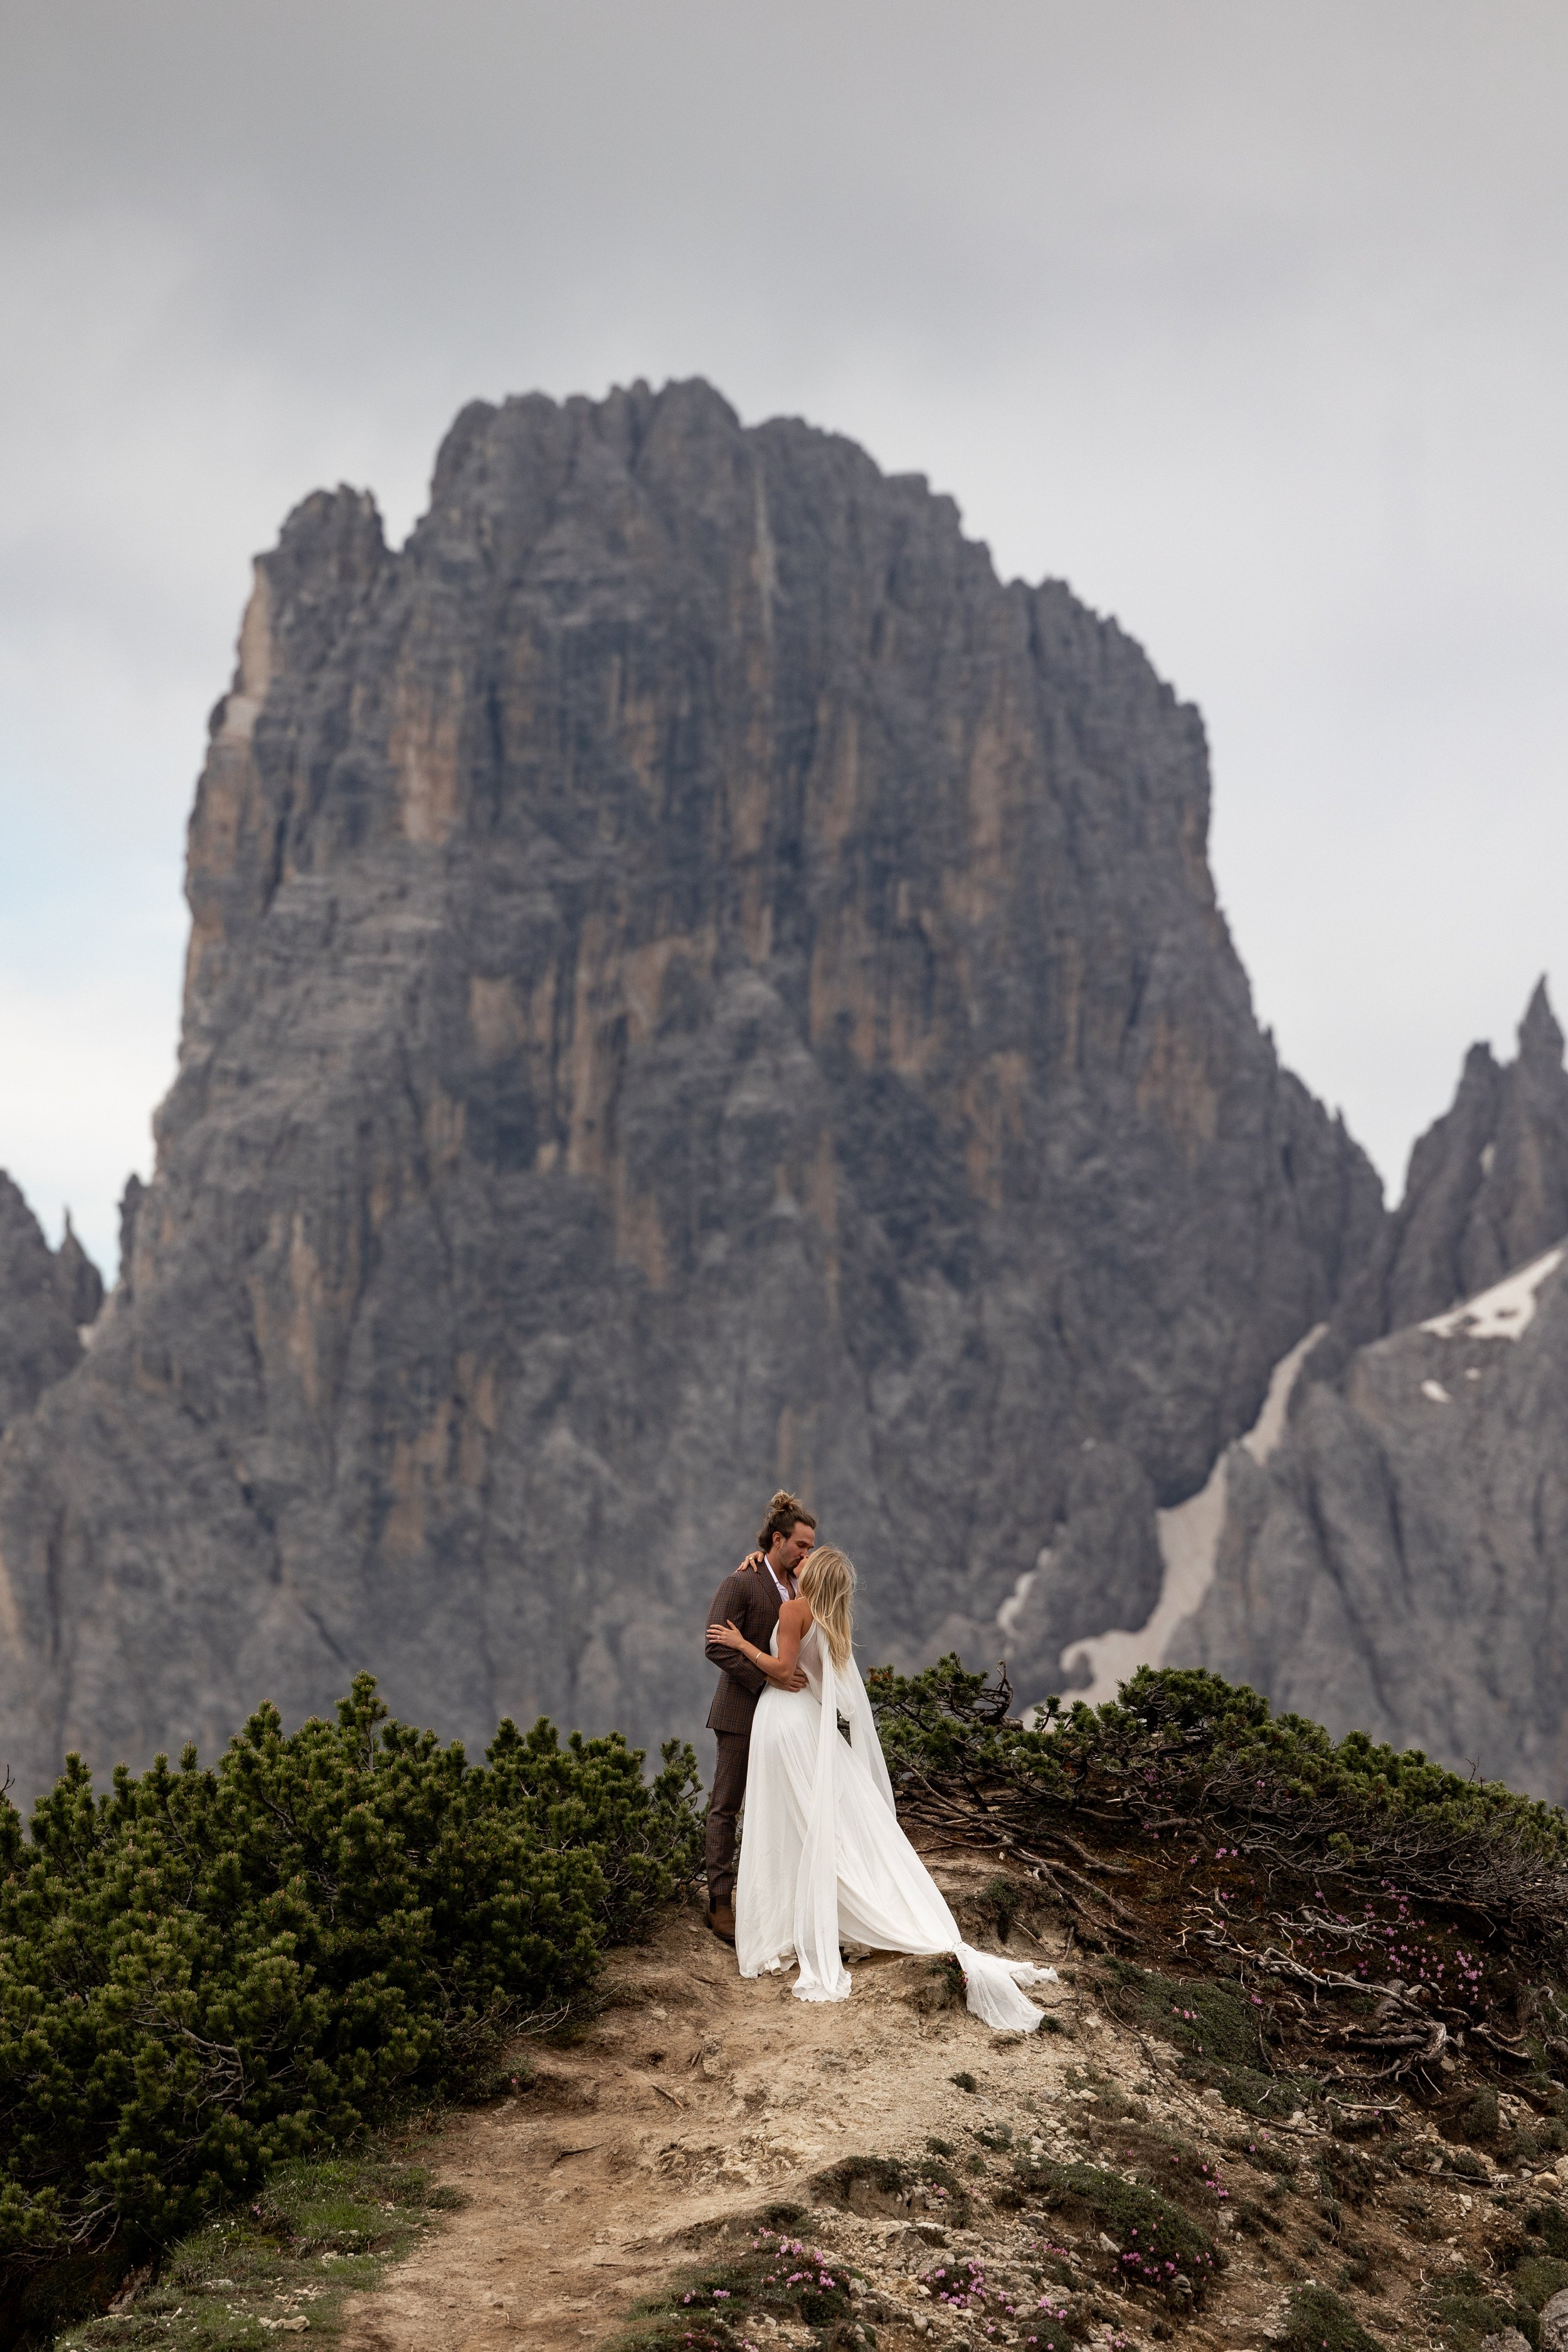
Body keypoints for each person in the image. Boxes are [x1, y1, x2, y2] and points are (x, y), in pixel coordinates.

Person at [706, 1544, 1056, 2030]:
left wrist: (742, 1644)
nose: (800, 1560)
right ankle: (816, 1913)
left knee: (788, 1821)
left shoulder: (792, 1610)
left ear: (815, 1574)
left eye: (808, 1559)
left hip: (784, 1723)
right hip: (808, 1722)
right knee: (813, 1820)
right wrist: (757, 1556)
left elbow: (785, 1672)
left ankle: (789, 1922)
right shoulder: (833, 1621)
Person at [701, 1491, 817, 1944]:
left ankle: (772, 1900)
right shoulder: (741, 1582)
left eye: (810, 1547)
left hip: (787, 1719)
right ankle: (719, 1903)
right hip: (740, 1712)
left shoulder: (800, 1586)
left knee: (780, 1805)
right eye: (802, 1545)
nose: (807, 1553)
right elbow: (714, 1645)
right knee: (726, 1807)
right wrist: (767, 1681)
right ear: (777, 1539)